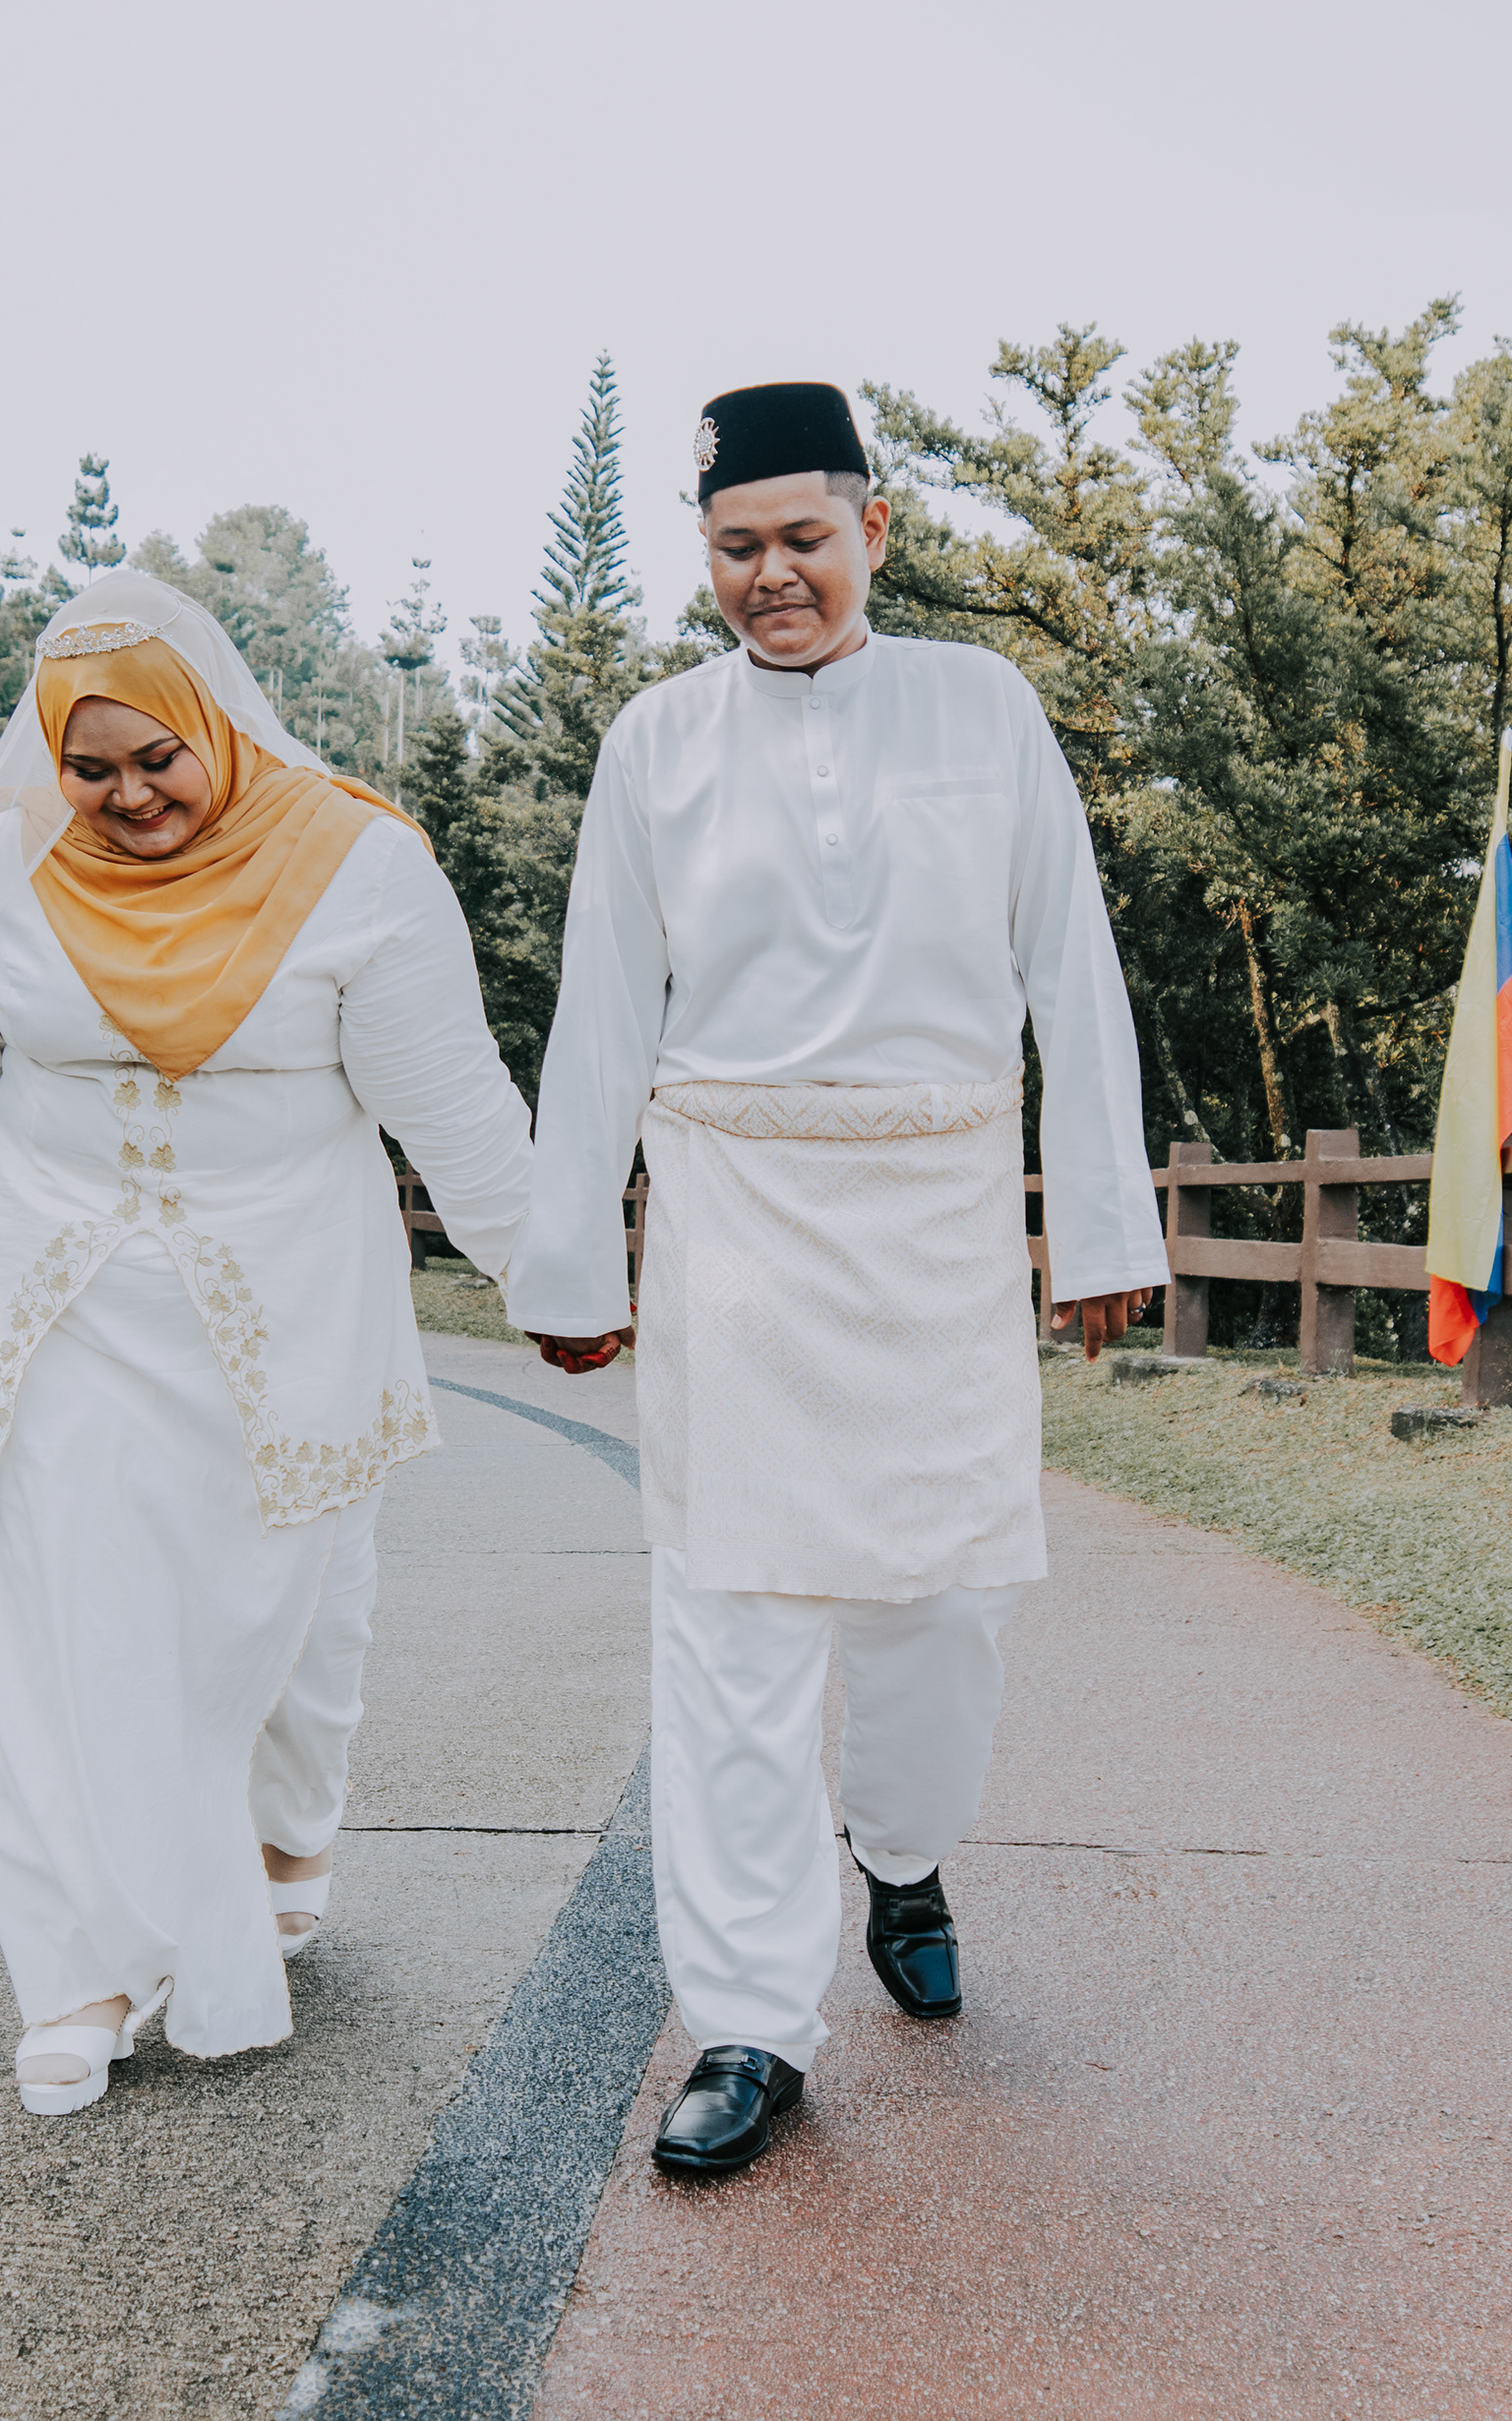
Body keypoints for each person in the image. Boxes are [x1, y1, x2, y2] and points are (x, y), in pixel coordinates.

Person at [0, 570, 534, 2118]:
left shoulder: (358, 865)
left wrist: (551, 1281)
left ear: (215, 726)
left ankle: (283, 1842)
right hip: (44, 1302)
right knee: (46, 1631)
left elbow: (453, 1102)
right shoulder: (3, 867)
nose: (127, 798)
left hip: (281, 1309)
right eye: (89, 767)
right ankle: (79, 1972)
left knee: (282, 1635)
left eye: (156, 759)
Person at [503, 382, 1167, 2175]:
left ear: (873, 528)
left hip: (939, 1212)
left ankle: (903, 1850)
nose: (772, 575)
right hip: (733, 1214)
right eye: (737, 547)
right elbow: (601, 1009)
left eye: (804, 537)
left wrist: (1104, 1227)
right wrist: (571, 1254)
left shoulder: (983, 704)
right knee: (731, 1624)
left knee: (944, 1609)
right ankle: (747, 2022)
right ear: (703, 554)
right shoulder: (655, 741)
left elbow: (1072, 963)